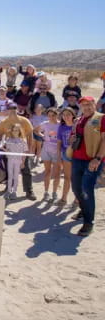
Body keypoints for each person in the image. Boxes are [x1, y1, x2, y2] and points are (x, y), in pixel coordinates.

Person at [70, 96, 105, 237]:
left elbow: (104, 140)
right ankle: (84, 210)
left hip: (92, 160)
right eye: (84, 105)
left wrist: (98, 158)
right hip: (77, 158)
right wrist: (72, 139)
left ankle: (88, 222)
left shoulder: (101, 118)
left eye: (89, 104)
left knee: (86, 189)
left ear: (94, 104)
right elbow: (74, 137)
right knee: (76, 188)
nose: (87, 107)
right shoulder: (79, 120)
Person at [0, 102, 36, 200]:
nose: (12, 110)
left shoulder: (24, 120)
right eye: (10, 108)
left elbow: (30, 135)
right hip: (9, 151)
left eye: (14, 108)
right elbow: (0, 136)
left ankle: (29, 190)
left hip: (22, 150)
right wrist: (4, 149)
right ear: (7, 110)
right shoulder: (3, 123)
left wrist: (29, 150)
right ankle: (9, 189)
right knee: (9, 171)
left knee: (26, 170)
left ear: (17, 109)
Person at [35, 108, 61, 202]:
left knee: (57, 173)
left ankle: (54, 193)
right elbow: (36, 130)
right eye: (49, 115)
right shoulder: (45, 124)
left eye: (53, 115)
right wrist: (43, 137)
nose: (51, 117)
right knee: (47, 171)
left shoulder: (61, 125)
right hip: (46, 150)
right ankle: (46, 192)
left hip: (57, 151)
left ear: (57, 115)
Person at [56, 108, 75, 206]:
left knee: (77, 178)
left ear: (73, 115)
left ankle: (77, 199)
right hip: (65, 154)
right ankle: (64, 199)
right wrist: (58, 156)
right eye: (64, 115)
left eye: (68, 114)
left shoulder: (77, 126)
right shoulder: (61, 127)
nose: (66, 116)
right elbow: (59, 142)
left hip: (77, 155)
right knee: (67, 178)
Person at [4, 124, 28, 200]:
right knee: (10, 175)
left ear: (19, 131)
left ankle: (14, 191)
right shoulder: (8, 140)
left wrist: (23, 162)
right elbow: (7, 151)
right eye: (14, 130)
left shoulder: (23, 141)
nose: (15, 132)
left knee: (16, 176)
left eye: (17, 130)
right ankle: (8, 191)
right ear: (12, 131)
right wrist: (4, 149)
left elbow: (25, 152)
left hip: (18, 161)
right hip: (10, 160)